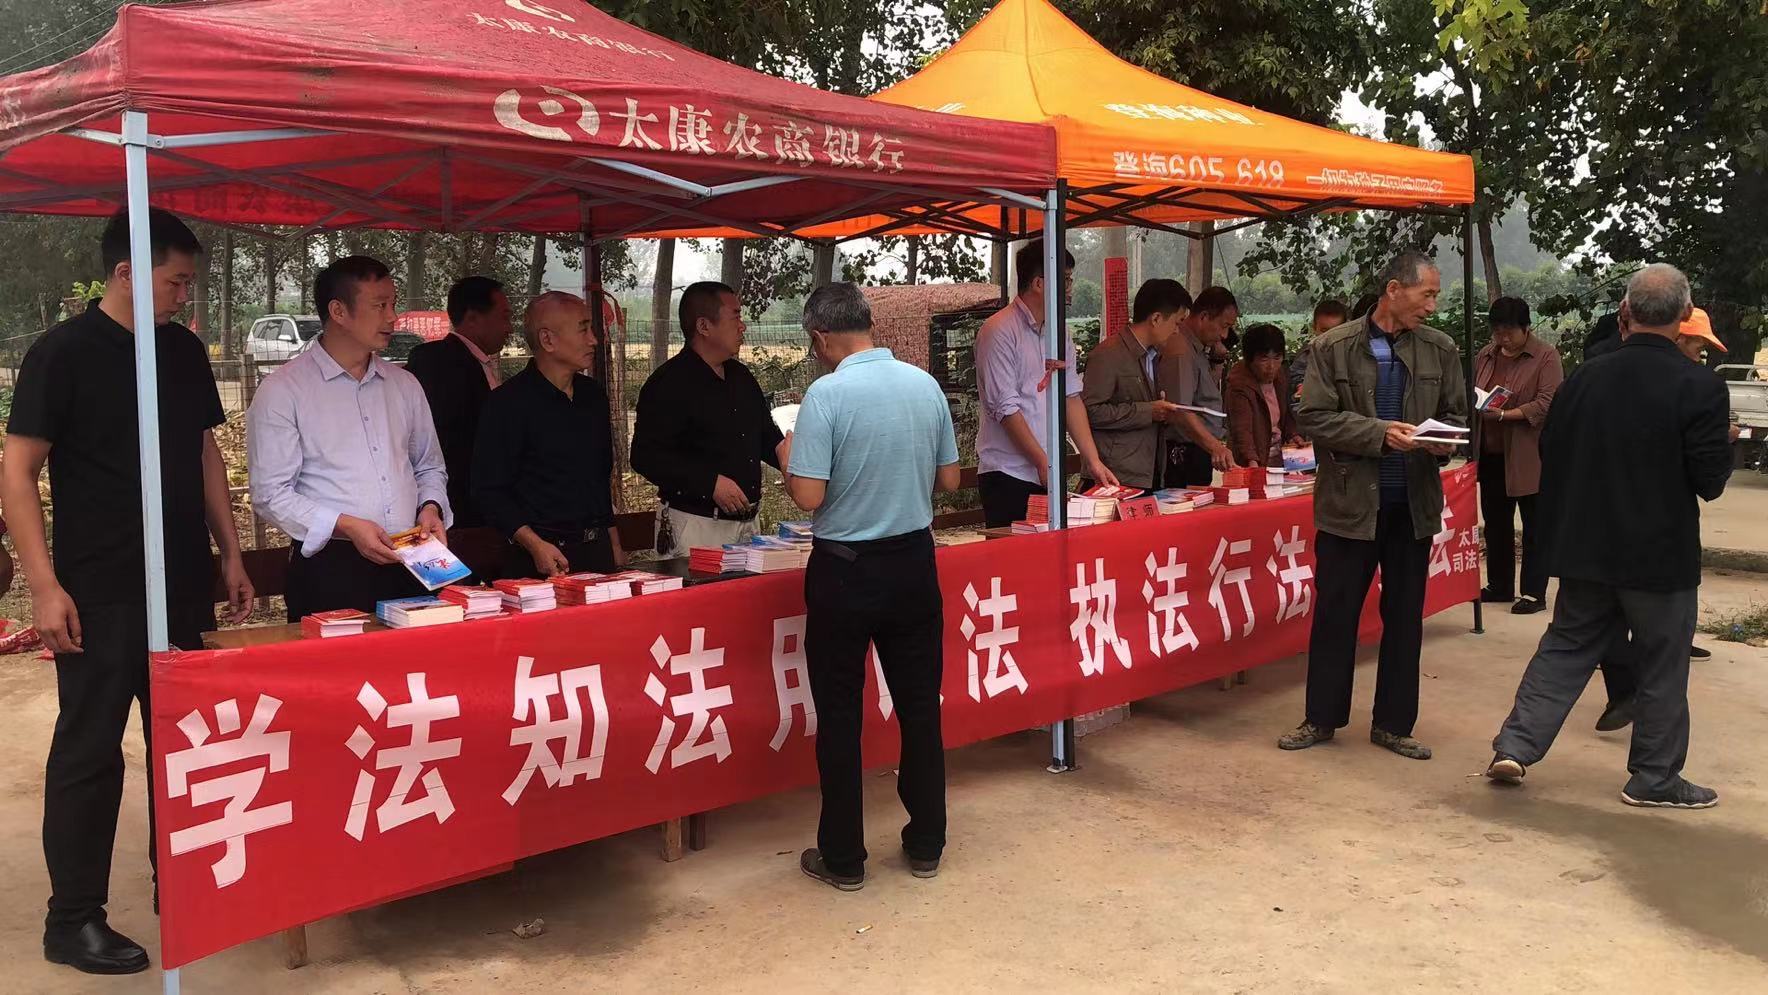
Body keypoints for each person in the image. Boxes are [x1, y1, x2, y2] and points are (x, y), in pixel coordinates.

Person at [1, 208, 253, 976]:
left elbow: (205, 453)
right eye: (175, 281)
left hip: (181, 583)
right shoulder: (63, 354)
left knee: (186, 741)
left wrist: (230, 552)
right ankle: (73, 917)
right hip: (100, 587)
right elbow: (17, 471)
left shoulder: (181, 351)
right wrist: (45, 585)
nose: (184, 295)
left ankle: (182, 883)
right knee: (90, 751)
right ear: (125, 273)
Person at [1486, 263, 1731, 809]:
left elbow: (1552, 451)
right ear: (1684, 315)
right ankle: (1653, 778)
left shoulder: (1585, 378)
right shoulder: (1700, 386)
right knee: (1662, 662)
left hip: (1586, 546)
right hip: (1659, 556)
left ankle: (1515, 747)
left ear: (1626, 311)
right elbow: (1710, 481)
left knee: (1565, 647)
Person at [781, 283, 960, 891]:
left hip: (845, 569)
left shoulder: (826, 395)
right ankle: (927, 843)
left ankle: (844, 858)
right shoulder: (924, 385)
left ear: (820, 337)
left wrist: (791, 459)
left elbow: (809, 496)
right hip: (913, 561)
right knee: (920, 707)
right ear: (868, 324)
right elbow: (950, 480)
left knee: (840, 714)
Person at [1279, 250, 1467, 760]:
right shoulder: (1332, 347)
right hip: (1349, 506)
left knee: (1405, 617)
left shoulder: (1440, 348)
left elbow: (1456, 414)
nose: (1432, 306)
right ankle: (1321, 717)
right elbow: (1314, 417)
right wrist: (1379, 433)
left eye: (1436, 296)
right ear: (1394, 290)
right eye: (1426, 294)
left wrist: (1441, 440)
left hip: (1412, 505)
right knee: (1335, 614)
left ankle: (1394, 725)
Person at [248, 256, 450, 620]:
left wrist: (431, 507)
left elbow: (428, 465)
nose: (393, 317)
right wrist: (345, 525)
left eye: (393, 304)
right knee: (340, 658)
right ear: (338, 311)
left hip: (413, 554)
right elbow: (271, 494)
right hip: (332, 563)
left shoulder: (404, 385)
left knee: (421, 656)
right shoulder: (284, 390)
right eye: (379, 305)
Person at [473, 292, 626, 578]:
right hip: (538, 556)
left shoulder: (593, 396)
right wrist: (534, 544)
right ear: (547, 340)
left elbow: (599, 477)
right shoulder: (508, 404)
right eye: (583, 330)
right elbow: (490, 491)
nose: (594, 340)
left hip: (596, 550)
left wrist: (614, 542)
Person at [631, 281, 787, 557]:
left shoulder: (741, 377)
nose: (743, 327)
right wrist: (709, 483)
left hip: (748, 525)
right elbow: (646, 457)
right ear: (704, 326)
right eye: (735, 317)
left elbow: (766, 438)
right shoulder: (668, 384)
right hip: (696, 524)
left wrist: (793, 461)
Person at [975, 239, 1117, 527]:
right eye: (1065, 280)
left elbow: (1071, 396)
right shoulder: (998, 331)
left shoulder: (1059, 333)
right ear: (1039, 283)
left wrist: (1092, 460)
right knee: (1016, 553)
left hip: (1048, 470)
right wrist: (1042, 461)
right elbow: (1006, 408)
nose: (1070, 289)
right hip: (1008, 474)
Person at [1475, 297, 1563, 615]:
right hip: (1491, 452)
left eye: (1509, 332)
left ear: (1526, 328)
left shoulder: (1546, 356)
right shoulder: (1486, 355)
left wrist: (1505, 415)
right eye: (1497, 331)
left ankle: (1533, 592)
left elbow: (1548, 402)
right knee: (1496, 523)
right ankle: (1499, 585)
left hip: (1530, 455)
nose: (1503, 338)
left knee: (1534, 526)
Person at [405, 276, 513, 529]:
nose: (509, 328)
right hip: (457, 508)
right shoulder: (439, 361)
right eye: (504, 317)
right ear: (473, 318)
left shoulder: (479, 362)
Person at [1079, 279, 1189, 488]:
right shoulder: (1108, 355)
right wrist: (1148, 411)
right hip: (1115, 476)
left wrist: (1161, 413)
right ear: (1156, 318)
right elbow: (1089, 412)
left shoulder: (1153, 355)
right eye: (1177, 323)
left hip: (1147, 472)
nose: (1177, 331)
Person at [1159, 286, 1241, 486]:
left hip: (1198, 448)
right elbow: (1180, 410)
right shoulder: (1181, 350)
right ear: (1203, 317)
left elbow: (1203, 392)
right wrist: (1216, 447)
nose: (1225, 335)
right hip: (1184, 453)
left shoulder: (1197, 348)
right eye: (1224, 326)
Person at [1225, 322, 1303, 468]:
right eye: (1264, 359)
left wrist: (1293, 435)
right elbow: (1242, 431)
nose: (1271, 366)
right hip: (1253, 461)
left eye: (1277, 358)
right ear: (1250, 359)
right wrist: (1251, 461)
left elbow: (1286, 415)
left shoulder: (1281, 378)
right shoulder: (1239, 385)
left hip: (1279, 460)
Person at [1288, 299, 1350, 391]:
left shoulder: (1352, 352)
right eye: (1324, 331)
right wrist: (1301, 386)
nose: (1329, 336)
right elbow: (1295, 374)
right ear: (1314, 328)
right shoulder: (1309, 353)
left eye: (1335, 331)